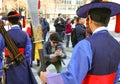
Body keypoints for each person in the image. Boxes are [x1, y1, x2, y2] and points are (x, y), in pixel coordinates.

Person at [40, 0, 120, 84]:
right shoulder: (116, 44)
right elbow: (116, 75)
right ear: (108, 21)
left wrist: (49, 78)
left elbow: (72, 79)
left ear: (89, 19)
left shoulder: (85, 45)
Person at [2, 11, 38, 84]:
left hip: (10, 62)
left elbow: (1, 49)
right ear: (19, 20)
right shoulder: (25, 34)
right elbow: (28, 51)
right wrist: (27, 63)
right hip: (22, 61)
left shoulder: (5, 35)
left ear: (9, 22)